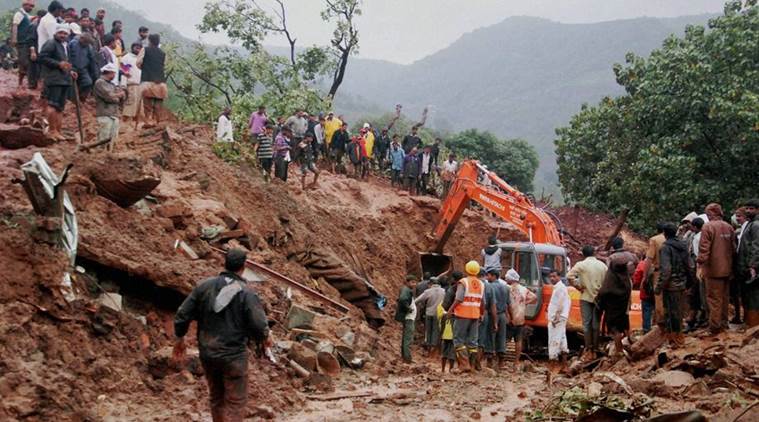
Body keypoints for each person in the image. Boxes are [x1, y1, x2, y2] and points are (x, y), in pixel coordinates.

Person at [173, 248, 270, 422]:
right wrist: (264, 337)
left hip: (208, 353)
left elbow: (182, 314)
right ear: (244, 266)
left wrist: (179, 338)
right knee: (235, 402)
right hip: (234, 356)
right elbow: (259, 324)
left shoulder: (204, 287)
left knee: (216, 397)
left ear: (224, 263)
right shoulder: (247, 293)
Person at [697, 203, 737, 334]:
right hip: (727, 269)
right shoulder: (729, 227)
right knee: (724, 297)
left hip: (713, 269)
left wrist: (700, 263)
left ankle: (714, 326)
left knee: (714, 299)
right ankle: (724, 323)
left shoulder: (708, 226)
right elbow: (734, 248)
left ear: (710, 214)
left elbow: (704, 249)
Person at [656, 222, 693, 348]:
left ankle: (675, 341)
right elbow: (689, 265)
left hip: (671, 285)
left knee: (671, 313)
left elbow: (666, 270)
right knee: (679, 311)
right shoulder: (683, 245)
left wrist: (659, 286)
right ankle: (679, 337)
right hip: (682, 283)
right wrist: (690, 282)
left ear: (665, 234)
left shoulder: (665, 248)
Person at [567, 245, 607, 359]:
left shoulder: (581, 265)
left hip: (585, 297)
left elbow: (569, 276)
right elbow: (607, 280)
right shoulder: (602, 266)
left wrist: (578, 286)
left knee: (586, 324)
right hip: (599, 298)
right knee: (596, 324)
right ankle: (596, 347)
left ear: (583, 254)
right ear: (594, 253)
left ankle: (588, 347)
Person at [448, 261, 486, 372]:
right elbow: (483, 302)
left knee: (458, 340)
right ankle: (473, 366)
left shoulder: (463, 282)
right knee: (473, 342)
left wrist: (450, 311)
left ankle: (464, 365)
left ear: (466, 269)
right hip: (475, 315)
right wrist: (482, 314)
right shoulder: (481, 284)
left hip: (462, 315)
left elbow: (459, 298)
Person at [38, 23, 73, 141]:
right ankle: (51, 131)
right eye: (60, 33)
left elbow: (66, 62)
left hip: (64, 79)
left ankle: (58, 131)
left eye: (65, 33)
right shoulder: (51, 43)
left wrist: (71, 71)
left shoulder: (65, 45)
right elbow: (42, 57)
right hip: (53, 80)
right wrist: (58, 64)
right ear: (55, 33)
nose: (63, 35)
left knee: (60, 107)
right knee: (52, 105)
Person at [597, 259, 632, 358]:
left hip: (612, 310)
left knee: (615, 330)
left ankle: (619, 351)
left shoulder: (610, 280)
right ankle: (627, 347)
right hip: (622, 309)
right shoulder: (626, 280)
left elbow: (603, 292)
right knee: (623, 328)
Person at [505, 269, 536, 366]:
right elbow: (534, 297)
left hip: (510, 317)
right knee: (518, 340)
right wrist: (524, 303)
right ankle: (516, 361)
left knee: (505, 339)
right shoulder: (524, 289)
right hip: (520, 318)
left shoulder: (507, 288)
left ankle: (501, 360)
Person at [737, 199, 759, 327]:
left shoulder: (756, 225)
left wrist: (753, 266)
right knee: (747, 295)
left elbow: (756, 246)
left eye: (752, 208)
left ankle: (754, 324)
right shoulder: (750, 224)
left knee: (753, 296)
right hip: (746, 266)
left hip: (752, 267)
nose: (748, 211)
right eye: (747, 208)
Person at [93, 63, 125, 151]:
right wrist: (118, 95)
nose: (115, 75)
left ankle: (109, 155)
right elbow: (109, 97)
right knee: (103, 138)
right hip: (104, 114)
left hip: (114, 114)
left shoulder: (111, 84)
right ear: (109, 72)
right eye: (114, 73)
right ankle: (100, 155)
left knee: (113, 139)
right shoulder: (100, 83)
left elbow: (119, 98)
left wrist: (118, 96)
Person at [137, 34, 167, 127]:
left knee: (147, 105)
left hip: (147, 81)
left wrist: (144, 68)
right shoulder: (163, 53)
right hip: (160, 83)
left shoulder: (145, 50)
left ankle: (147, 121)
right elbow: (164, 65)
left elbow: (138, 63)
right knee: (158, 105)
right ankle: (158, 122)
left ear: (149, 41)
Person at [415, 277, 446, 356]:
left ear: (431, 284)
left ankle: (428, 350)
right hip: (439, 314)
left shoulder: (428, 291)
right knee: (436, 331)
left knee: (428, 331)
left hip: (429, 313)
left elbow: (417, 300)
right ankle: (434, 351)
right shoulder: (444, 291)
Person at [11, 0, 37, 88]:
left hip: (26, 42)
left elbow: (31, 18)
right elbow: (15, 26)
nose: (31, 8)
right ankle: (22, 83)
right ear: (24, 5)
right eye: (30, 6)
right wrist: (14, 39)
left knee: (24, 63)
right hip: (22, 42)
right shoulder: (19, 14)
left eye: (33, 6)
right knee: (24, 62)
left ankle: (21, 83)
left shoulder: (25, 15)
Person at [487, 269, 509, 369]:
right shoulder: (505, 287)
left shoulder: (490, 286)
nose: (487, 278)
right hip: (503, 315)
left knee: (491, 337)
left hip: (493, 315)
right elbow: (508, 303)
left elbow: (491, 304)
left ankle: (490, 361)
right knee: (502, 337)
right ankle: (501, 362)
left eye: (489, 276)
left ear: (494, 276)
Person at [547, 270, 570, 368]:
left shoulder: (560, 288)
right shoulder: (559, 287)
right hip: (561, 317)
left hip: (558, 318)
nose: (552, 278)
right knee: (562, 339)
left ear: (559, 277)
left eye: (554, 276)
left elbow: (560, 303)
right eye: (550, 276)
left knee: (554, 339)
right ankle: (564, 365)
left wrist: (556, 317)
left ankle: (553, 364)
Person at [646, 223, 667, 327]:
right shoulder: (673, 239)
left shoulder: (654, 240)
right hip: (673, 272)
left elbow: (649, 258)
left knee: (659, 297)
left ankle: (661, 323)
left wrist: (645, 276)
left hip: (659, 272)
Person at [477, 269, 497, 369]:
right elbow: (493, 306)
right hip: (484, 314)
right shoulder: (489, 287)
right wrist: (495, 322)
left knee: (470, 339)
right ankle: (477, 363)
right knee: (481, 340)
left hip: (470, 312)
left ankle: (468, 362)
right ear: (485, 275)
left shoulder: (471, 283)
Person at [68, 32, 98, 100]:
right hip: (73, 68)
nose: (86, 44)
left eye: (87, 43)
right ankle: (72, 99)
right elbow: (68, 55)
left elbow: (92, 59)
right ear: (81, 39)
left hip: (83, 69)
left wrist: (95, 73)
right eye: (85, 42)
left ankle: (81, 97)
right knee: (71, 85)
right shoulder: (73, 43)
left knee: (88, 82)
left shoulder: (88, 47)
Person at [395, 275, 417, 363]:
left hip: (409, 317)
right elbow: (402, 299)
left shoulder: (406, 290)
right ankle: (407, 359)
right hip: (408, 318)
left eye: (415, 282)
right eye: (412, 282)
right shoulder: (406, 290)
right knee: (408, 338)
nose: (414, 284)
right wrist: (408, 309)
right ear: (407, 282)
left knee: (406, 338)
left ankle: (405, 357)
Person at [120, 42, 143, 127]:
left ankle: (134, 125)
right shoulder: (127, 58)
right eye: (136, 48)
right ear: (132, 48)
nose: (138, 50)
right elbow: (124, 72)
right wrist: (123, 85)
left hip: (139, 85)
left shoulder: (140, 59)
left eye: (140, 48)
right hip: (131, 84)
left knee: (138, 106)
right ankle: (125, 124)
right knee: (130, 104)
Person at [632, 254, 655, 333]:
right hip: (657, 292)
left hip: (645, 292)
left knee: (646, 311)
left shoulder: (642, 264)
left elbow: (637, 278)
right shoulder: (658, 263)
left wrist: (637, 286)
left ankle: (646, 329)